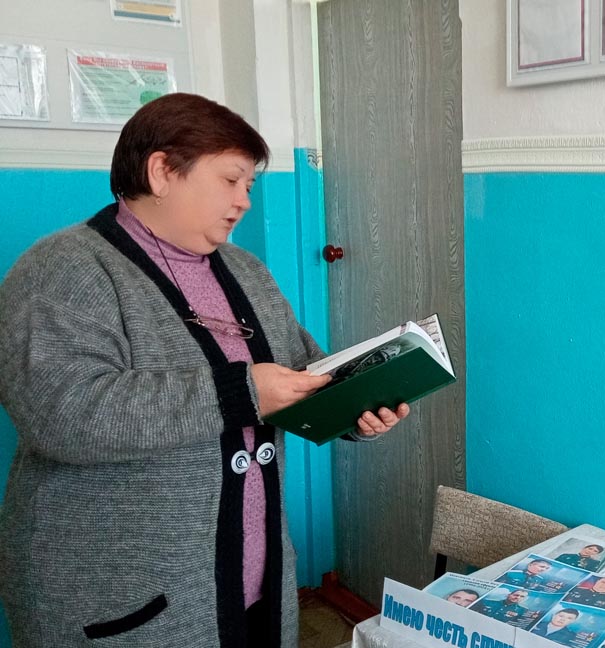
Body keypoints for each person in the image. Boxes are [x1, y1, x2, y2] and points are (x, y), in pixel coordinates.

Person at [0, 93, 411, 647]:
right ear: (162, 172)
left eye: (250, 186)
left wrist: (352, 406)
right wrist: (241, 393)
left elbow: (298, 372)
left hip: (252, 575)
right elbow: (63, 414)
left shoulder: (245, 270)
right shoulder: (64, 270)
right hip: (126, 597)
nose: (244, 201)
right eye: (231, 180)